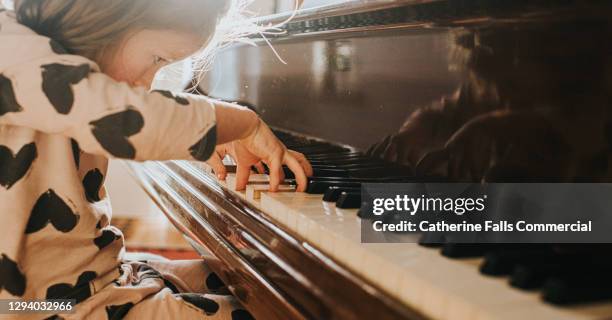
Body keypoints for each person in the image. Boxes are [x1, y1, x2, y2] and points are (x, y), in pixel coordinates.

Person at [0, 0, 311, 319]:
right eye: (158, 59)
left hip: (92, 279)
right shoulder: (7, 47)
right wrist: (243, 125)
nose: (148, 85)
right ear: (108, 14)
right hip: (39, 307)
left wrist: (204, 135)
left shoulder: (46, 54)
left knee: (262, 286)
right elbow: (128, 119)